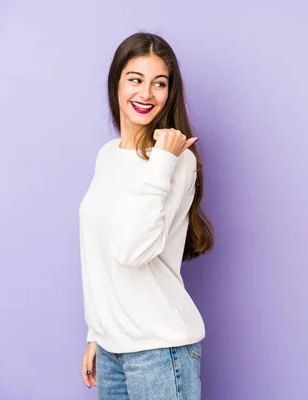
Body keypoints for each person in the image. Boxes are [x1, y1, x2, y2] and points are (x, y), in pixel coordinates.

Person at [78, 32, 214, 400]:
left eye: (160, 84)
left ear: (170, 92)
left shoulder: (178, 162)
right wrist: (98, 332)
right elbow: (100, 253)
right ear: (116, 84)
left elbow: (132, 251)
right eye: (135, 80)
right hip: (111, 352)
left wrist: (163, 160)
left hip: (159, 351)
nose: (146, 94)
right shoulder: (107, 155)